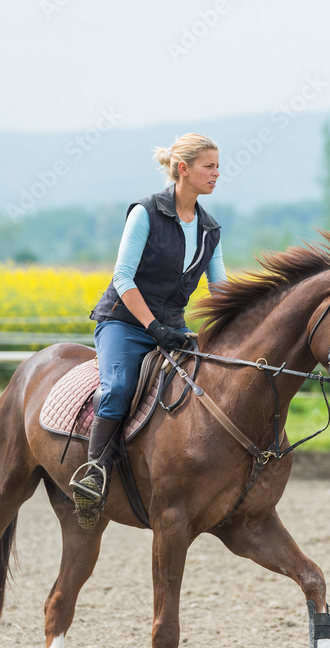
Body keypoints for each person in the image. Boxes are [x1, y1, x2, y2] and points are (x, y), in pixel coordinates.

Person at [70, 133, 226, 528]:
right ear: (184, 169)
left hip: (173, 330)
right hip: (124, 324)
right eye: (209, 166)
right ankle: (94, 474)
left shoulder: (210, 229)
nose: (217, 173)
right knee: (118, 387)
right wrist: (154, 327)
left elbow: (221, 289)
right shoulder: (145, 212)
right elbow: (122, 278)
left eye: (218, 165)